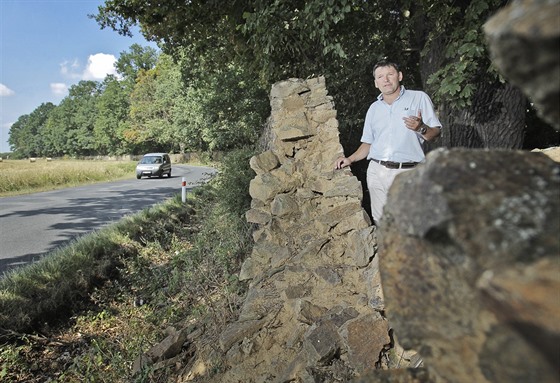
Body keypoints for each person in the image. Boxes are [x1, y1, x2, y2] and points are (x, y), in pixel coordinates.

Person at [334, 60, 442, 224]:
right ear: (376, 83)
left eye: (390, 74)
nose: (385, 79)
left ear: (399, 76)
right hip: (377, 171)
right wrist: (350, 159)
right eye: (380, 77)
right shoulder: (374, 109)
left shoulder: (418, 98)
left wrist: (421, 128)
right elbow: (368, 144)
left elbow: (435, 134)